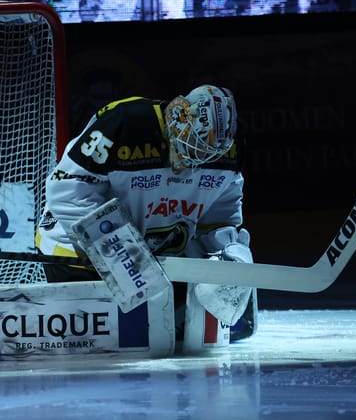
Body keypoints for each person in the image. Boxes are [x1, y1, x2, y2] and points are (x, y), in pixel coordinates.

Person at [35, 84, 254, 339]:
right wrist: (120, 251)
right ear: (179, 116)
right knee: (106, 339)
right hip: (79, 251)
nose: (196, 160)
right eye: (193, 144)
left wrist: (225, 253)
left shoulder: (228, 151)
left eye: (208, 152)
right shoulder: (126, 123)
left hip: (158, 261)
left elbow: (219, 214)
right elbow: (67, 190)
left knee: (175, 333)